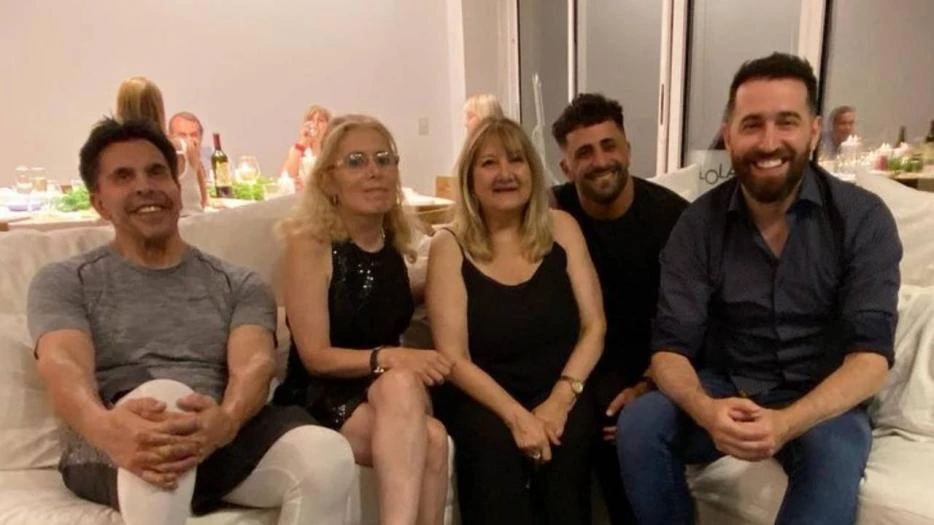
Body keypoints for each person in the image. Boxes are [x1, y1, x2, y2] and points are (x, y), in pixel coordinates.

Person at [616, 53, 901, 525]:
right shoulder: (697, 225)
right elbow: (669, 350)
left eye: (786, 122)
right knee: (641, 424)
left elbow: (870, 359)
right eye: (751, 125)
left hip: (821, 397)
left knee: (833, 458)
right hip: (726, 386)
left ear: (813, 131)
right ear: (728, 135)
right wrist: (706, 411)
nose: (769, 142)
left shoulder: (861, 219)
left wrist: (788, 422)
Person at [27, 117, 355, 525]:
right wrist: (105, 428)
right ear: (99, 203)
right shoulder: (64, 280)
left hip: (223, 432)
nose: (145, 186)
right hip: (114, 437)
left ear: (177, 188)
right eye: (123, 176)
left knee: (326, 455)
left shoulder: (239, 283)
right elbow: (63, 366)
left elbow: (254, 364)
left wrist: (227, 420)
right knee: (163, 405)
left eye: (156, 172)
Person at [272, 114, 450, 525]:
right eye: (356, 161)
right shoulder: (310, 242)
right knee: (431, 435)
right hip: (320, 391)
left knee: (423, 418)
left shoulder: (393, 241)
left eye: (384, 159)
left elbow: (382, 303)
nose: (374, 172)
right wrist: (389, 357)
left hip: (385, 390)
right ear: (329, 180)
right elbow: (315, 356)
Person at [426, 117, 606, 525]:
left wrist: (559, 402)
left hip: (561, 386)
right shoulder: (448, 245)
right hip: (483, 397)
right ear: (470, 179)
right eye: (489, 163)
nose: (506, 173)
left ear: (532, 170)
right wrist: (517, 417)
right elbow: (453, 357)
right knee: (491, 451)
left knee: (569, 449)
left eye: (516, 160)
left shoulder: (563, 228)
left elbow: (594, 327)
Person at [550, 93, 688, 525]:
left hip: (654, 364)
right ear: (566, 167)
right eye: (584, 153)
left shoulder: (674, 219)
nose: (600, 161)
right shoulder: (549, 213)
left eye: (609, 145)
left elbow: (690, 323)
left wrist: (647, 385)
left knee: (617, 422)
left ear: (628, 149)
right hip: (576, 366)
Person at [115, 76, 206, 215]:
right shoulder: (187, 148)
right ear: (159, 108)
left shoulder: (117, 155)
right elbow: (203, 200)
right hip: (192, 226)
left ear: (121, 109)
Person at [280, 104, 332, 192]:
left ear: (328, 125)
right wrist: (302, 142)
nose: (315, 124)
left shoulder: (333, 149)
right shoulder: (298, 148)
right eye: (311, 120)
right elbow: (287, 176)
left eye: (320, 120)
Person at [168, 111, 210, 212]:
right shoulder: (171, 163)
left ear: (201, 136)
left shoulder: (212, 157)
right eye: (182, 135)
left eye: (193, 135)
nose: (189, 140)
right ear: (170, 137)